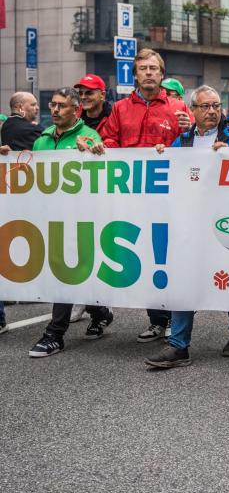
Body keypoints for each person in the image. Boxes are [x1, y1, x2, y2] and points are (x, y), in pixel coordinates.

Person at [145, 86, 229, 369]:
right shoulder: (181, 142)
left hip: (227, 222)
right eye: (205, 106)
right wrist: (160, 155)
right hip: (190, 223)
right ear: (192, 111)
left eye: (216, 106)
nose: (211, 111)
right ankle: (179, 345)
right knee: (184, 279)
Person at [97, 49, 191, 342]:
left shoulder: (178, 107)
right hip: (131, 195)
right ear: (135, 75)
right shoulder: (119, 108)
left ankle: (175, 319)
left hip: (169, 197)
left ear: (162, 74)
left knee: (168, 255)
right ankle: (156, 320)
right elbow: (108, 138)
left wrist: (188, 130)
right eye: (143, 68)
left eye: (154, 68)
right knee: (145, 255)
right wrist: (109, 146)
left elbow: (192, 146)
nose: (149, 73)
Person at [21, 88, 114, 357]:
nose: (55, 110)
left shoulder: (89, 136)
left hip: (80, 217)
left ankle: (54, 334)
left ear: (76, 109)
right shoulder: (43, 140)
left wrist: (95, 152)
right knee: (69, 272)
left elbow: (103, 166)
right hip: (52, 216)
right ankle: (101, 312)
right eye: (52, 105)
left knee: (66, 271)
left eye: (61, 106)